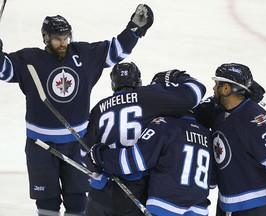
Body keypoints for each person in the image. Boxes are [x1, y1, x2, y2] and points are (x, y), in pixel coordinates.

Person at [0, 4, 153, 216]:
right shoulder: (30, 60)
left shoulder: (84, 55)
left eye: (65, 38)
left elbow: (115, 49)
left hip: (78, 144)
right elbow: (4, 69)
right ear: (45, 38)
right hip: (40, 146)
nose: (62, 43)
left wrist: (134, 28)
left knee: (78, 201)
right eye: (56, 39)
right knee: (47, 203)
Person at [82, 62, 207, 216]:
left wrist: (99, 163)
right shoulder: (151, 97)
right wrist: (174, 75)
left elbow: (85, 152)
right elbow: (195, 92)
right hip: (135, 190)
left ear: (113, 84)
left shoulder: (99, 108)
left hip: (100, 191)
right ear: (139, 82)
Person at [193, 63, 266, 216]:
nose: (213, 88)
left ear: (226, 89)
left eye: (216, 84)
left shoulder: (253, 120)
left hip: (258, 207)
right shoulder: (220, 112)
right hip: (229, 203)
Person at [88, 112, 213, 216]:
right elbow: (212, 182)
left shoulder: (165, 125)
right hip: (199, 209)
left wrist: (102, 157)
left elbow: (136, 160)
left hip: (165, 206)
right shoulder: (208, 135)